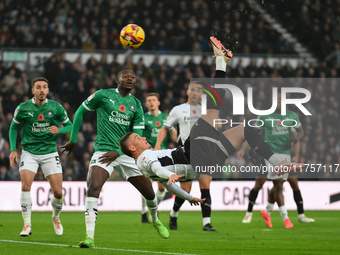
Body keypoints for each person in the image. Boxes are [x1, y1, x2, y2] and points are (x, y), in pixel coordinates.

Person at [188, 36, 304, 229]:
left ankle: (208, 222)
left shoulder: (199, 109)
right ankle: (220, 60)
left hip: (206, 149)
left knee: (243, 126)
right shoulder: (182, 111)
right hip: (197, 152)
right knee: (218, 101)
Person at [60, 68, 168, 248]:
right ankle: (89, 237)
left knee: (149, 192)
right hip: (103, 151)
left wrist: (119, 152)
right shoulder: (103, 95)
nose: (129, 79)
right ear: (117, 79)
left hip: (126, 154)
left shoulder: (136, 104)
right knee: (93, 187)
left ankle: (155, 219)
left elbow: (137, 135)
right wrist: (72, 139)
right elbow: (79, 112)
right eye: (126, 76)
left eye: (133, 77)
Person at [9, 77, 72, 237]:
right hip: (29, 152)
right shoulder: (23, 108)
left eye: (44, 87)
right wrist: (12, 149)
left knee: (58, 192)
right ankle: (27, 224)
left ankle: (56, 217)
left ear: (48, 90)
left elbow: (70, 126)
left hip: (50, 152)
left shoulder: (56, 107)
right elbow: (13, 128)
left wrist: (59, 130)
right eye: (38, 87)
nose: (42, 90)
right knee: (25, 186)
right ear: (33, 90)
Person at [238, 97, 315, 227]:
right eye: (277, 101)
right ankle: (284, 218)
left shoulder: (291, 116)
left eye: (281, 101)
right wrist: (243, 149)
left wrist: (296, 152)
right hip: (270, 155)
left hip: (286, 155)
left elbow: (299, 134)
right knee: (271, 183)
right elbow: (253, 135)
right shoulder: (264, 116)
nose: (279, 103)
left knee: (282, 184)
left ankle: (268, 212)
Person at [155, 82, 215, 231]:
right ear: (187, 91)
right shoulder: (178, 110)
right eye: (192, 90)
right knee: (186, 190)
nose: (195, 93)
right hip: (186, 154)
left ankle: (206, 223)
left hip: (205, 153)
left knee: (205, 187)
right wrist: (157, 145)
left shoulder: (206, 111)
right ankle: (174, 214)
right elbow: (165, 128)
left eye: (198, 91)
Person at [120, 132, 205, 205]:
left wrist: (189, 198)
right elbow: (157, 167)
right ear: (132, 148)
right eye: (138, 138)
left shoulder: (143, 169)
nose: (144, 138)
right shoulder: (145, 155)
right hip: (187, 156)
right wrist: (171, 175)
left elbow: (171, 188)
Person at [141, 93, 177, 223]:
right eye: (149, 100)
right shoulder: (143, 118)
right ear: (146, 104)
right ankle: (144, 211)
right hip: (147, 155)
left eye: (153, 100)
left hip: (162, 155)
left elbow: (174, 135)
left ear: (158, 103)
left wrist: (175, 134)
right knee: (147, 185)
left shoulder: (165, 117)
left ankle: (152, 208)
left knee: (162, 187)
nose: (151, 102)